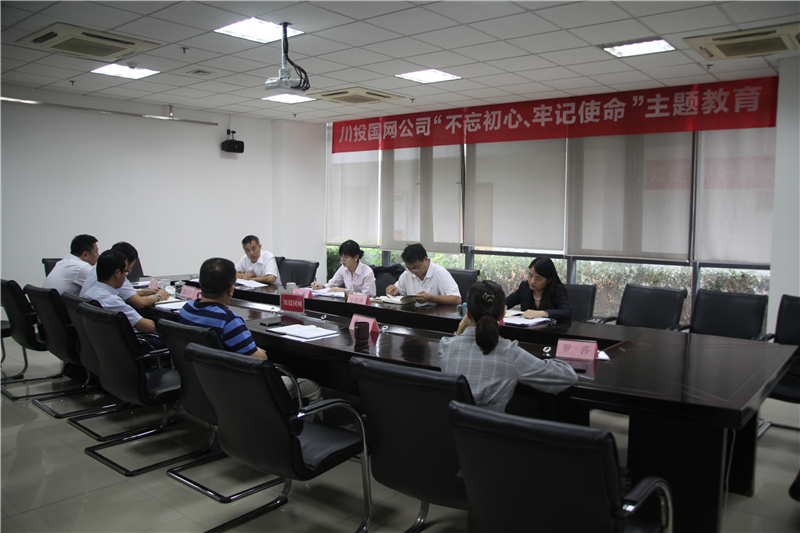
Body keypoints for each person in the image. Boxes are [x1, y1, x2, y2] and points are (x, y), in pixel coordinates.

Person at [181, 257, 320, 404]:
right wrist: (257, 350)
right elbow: (260, 361)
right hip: (240, 389)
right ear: (231, 289)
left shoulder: (186, 310)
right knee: (311, 387)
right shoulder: (228, 321)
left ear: (200, 283)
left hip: (204, 383)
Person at [439, 280, 577, 412]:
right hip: (492, 428)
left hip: (452, 426)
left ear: (467, 313)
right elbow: (568, 377)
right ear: (502, 316)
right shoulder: (510, 353)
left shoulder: (446, 347)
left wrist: (460, 330)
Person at [81, 249, 157, 334]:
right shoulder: (112, 301)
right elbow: (149, 327)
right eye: (125, 272)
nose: (125, 276)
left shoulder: (89, 293)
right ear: (117, 273)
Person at [81, 241, 169, 308]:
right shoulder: (117, 277)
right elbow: (139, 303)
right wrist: (159, 296)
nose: (130, 271)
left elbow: (123, 293)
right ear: (125, 262)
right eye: (132, 266)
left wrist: (146, 292)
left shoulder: (99, 268)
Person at [385, 243, 461, 305]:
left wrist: (430, 298)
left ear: (425, 259)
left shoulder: (440, 272)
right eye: (409, 268)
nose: (413, 272)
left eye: (416, 267)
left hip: (435, 315)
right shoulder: (407, 273)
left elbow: (457, 300)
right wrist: (392, 290)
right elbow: (397, 290)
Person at [506, 257, 572, 322]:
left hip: (550, 328)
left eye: (538, 279)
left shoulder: (557, 290)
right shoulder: (525, 287)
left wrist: (543, 313)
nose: (532, 281)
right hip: (526, 327)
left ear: (549, 280)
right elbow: (507, 302)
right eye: (530, 276)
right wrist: (503, 306)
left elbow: (566, 312)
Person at [311, 240, 376, 297]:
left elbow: (367, 295)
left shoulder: (367, 272)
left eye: (346, 257)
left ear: (356, 257)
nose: (343, 260)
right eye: (341, 256)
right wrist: (322, 286)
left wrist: (344, 291)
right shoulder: (343, 268)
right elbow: (332, 284)